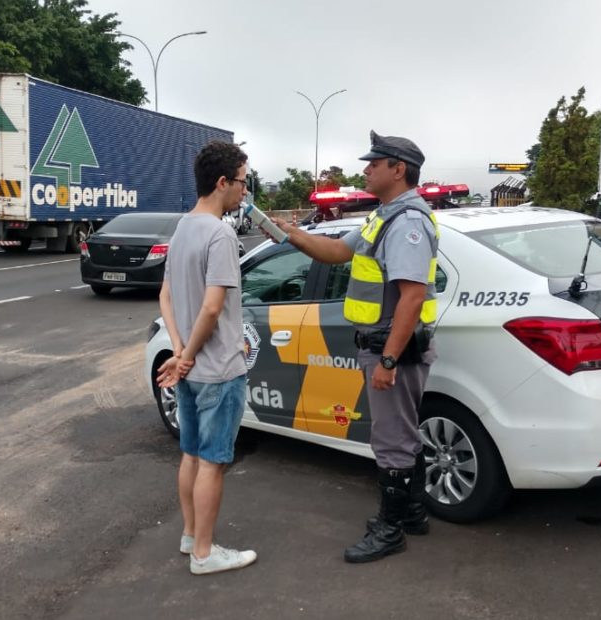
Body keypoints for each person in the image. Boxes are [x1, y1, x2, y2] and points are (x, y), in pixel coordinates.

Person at [269, 130, 440, 563]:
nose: (365, 170)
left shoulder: (407, 223)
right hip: (384, 345)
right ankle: (414, 513)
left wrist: (388, 359)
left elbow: (412, 296)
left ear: (398, 170)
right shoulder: (383, 216)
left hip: (393, 349)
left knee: (391, 441)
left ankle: (390, 530)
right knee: (401, 432)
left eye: (374, 163)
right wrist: (290, 234)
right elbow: (333, 251)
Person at [156, 140, 257, 575]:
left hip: (193, 369)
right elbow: (213, 307)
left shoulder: (182, 228)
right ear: (222, 182)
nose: (244, 190)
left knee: (191, 455)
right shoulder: (220, 233)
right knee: (213, 462)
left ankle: (189, 536)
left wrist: (179, 352)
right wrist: (189, 355)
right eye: (242, 181)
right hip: (217, 370)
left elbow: (166, 296)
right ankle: (204, 553)